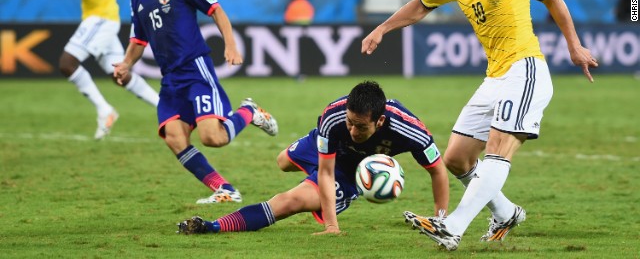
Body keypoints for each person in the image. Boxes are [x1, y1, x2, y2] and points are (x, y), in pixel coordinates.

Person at [361, 0, 598, 251]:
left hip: (526, 69)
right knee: (456, 159)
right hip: (495, 76)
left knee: (497, 149)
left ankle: (453, 226)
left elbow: (554, 0)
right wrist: (383, 28)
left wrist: (574, 46)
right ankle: (505, 212)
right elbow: (420, 5)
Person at [112, 0, 278, 204]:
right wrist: (126, 64)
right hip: (170, 79)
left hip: (194, 69)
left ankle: (249, 112)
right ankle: (224, 189)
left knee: (213, 138)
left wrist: (231, 44)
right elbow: (139, 39)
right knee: (174, 138)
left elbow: (216, 10)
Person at [176, 81, 449, 235]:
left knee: (291, 201)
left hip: (349, 171)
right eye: (350, 122)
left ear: (379, 121)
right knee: (282, 161)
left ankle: (210, 227)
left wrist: (441, 220)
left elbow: (438, 171)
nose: (353, 130)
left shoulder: (410, 130)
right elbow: (325, 171)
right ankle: (253, 112)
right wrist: (332, 225)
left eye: (361, 127)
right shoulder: (333, 116)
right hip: (328, 148)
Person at [32, 0, 159, 140]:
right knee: (119, 74)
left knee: (66, 63)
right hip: (92, 18)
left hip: (104, 17)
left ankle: (104, 109)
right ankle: (163, 106)